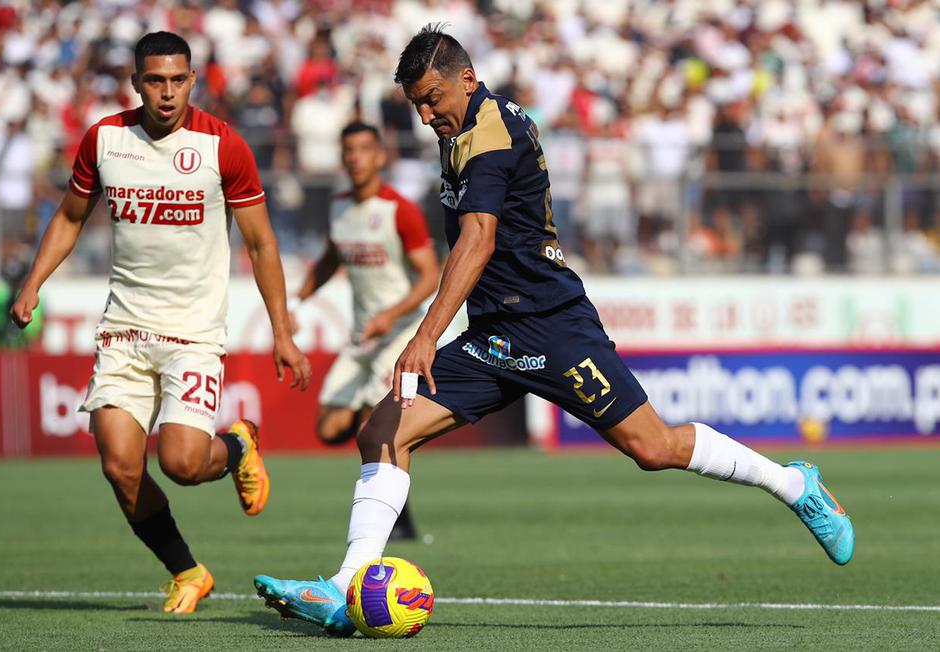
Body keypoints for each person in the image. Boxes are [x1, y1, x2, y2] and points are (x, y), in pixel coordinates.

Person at [253, 25, 854, 637]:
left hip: (550, 325)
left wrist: (427, 333)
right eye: (417, 105)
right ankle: (343, 587)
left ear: (467, 77)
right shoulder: (462, 126)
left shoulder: (489, 132)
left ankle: (793, 483)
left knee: (653, 448)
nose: (427, 114)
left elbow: (478, 239)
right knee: (382, 429)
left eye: (433, 98)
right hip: (493, 333)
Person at [10, 32, 311, 614]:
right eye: (155, 80)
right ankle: (189, 571)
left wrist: (282, 333)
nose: (167, 92)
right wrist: (32, 282)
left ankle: (237, 443)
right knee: (121, 467)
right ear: (136, 82)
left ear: (193, 80)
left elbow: (262, 244)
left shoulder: (224, 146)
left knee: (181, 464)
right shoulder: (105, 139)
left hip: (193, 334)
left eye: (178, 80)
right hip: (123, 329)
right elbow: (71, 218)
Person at [292, 121, 439, 541]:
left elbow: (429, 277)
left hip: (399, 336)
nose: (355, 158)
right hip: (362, 338)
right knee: (330, 428)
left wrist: (391, 314)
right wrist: (294, 303)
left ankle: (396, 522)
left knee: (373, 426)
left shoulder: (399, 209)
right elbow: (328, 261)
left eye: (363, 149)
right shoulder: (339, 207)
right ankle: (398, 512)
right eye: (348, 150)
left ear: (379, 157)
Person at [0, 257, 43, 350]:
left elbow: (41, 325)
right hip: (1, 349)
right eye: (10, 280)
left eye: (17, 280)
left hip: (28, 349)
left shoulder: (34, 296)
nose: (13, 285)